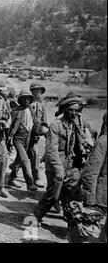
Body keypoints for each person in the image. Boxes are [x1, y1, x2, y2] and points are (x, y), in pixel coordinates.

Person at [34, 96, 83, 225]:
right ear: (64, 110)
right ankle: (36, 216)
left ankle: (70, 218)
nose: (74, 113)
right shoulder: (56, 125)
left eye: (76, 111)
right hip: (55, 165)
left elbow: (78, 144)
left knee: (73, 192)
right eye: (71, 110)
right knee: (53, 195)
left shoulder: (75, 124)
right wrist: (59, 169)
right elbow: (51, 150)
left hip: (70, 165)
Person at [72, 112, 107, 243]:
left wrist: (89, 199)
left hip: (100, 196)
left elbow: (90, 173)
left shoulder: (103, 141)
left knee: (86, 231)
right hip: (101, 196)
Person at [7, 90, 38, 191]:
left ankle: (12, 177)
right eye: (23, 98)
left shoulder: (31, 110)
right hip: (18, 138)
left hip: (28, 137)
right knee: (25, 160)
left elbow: (35, 123)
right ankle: (30, 183)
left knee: (19, 159)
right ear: (20, 100)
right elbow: (10, 126)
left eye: (28, 98)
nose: (26, 100)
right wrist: (9, 139)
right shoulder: (16, 111)